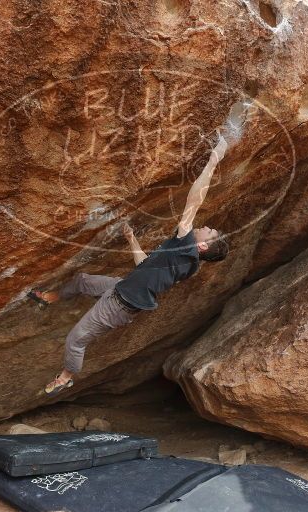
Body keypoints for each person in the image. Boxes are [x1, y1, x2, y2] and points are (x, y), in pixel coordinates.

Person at [30, 136, 230, 396]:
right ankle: (51, 297)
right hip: (121, 288)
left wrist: (214, 159)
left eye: (209, 232)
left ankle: (66, 377)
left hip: (118, 305)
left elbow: (194, 200)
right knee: (81, 280)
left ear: (202, 247)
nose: (205, 227)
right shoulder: (185, 262)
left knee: (76, 340)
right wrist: (132, 239)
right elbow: (145, 266)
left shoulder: (186, 247)